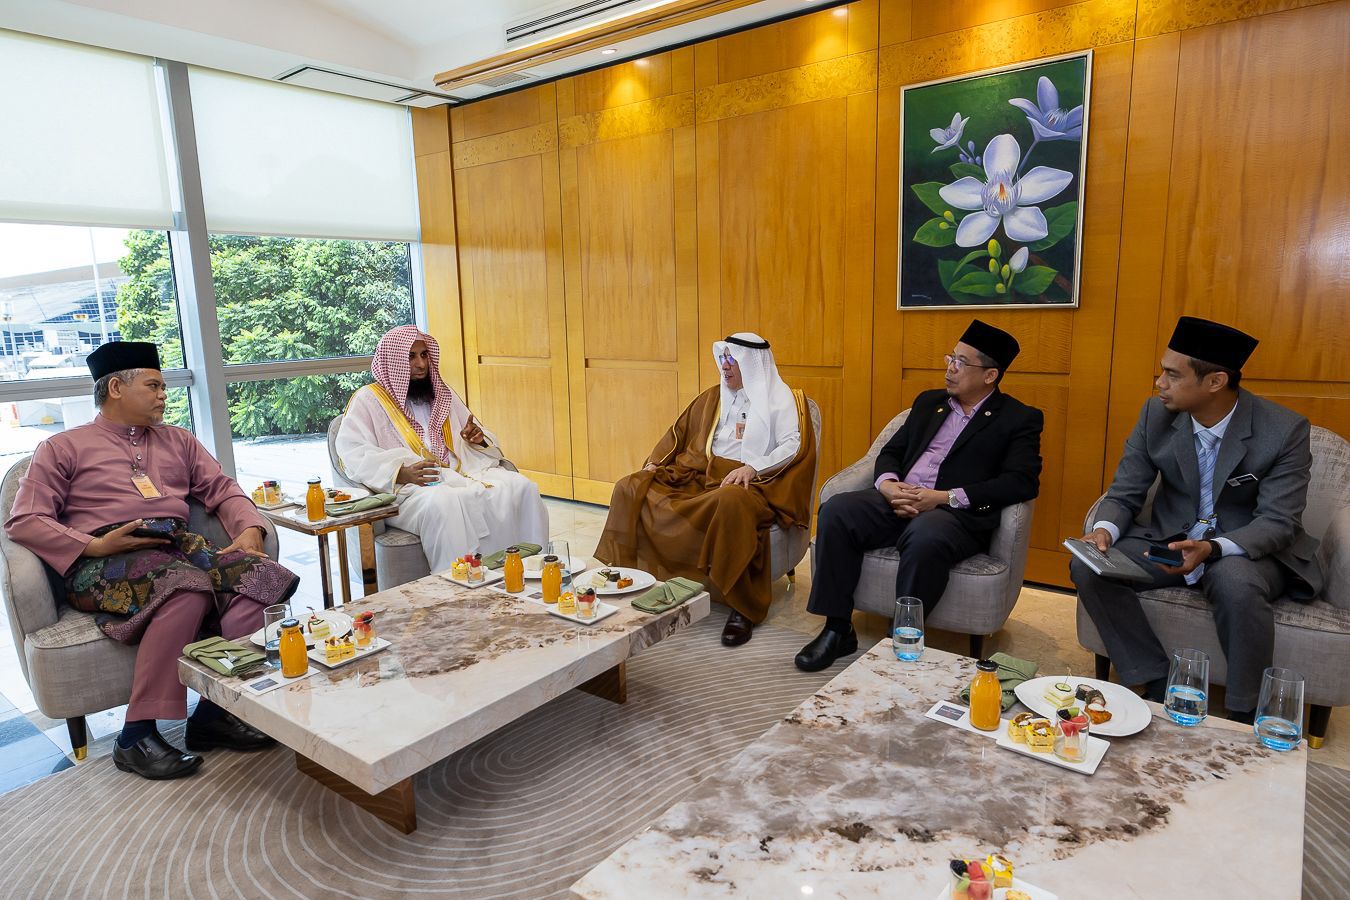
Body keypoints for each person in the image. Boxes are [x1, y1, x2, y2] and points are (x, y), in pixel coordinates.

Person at [5, 341, 297, 779]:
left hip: (177, 547)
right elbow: (25, 520)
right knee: (186, 588)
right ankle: (135, 735)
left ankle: (217, 711)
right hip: (101, 559)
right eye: (154, 386)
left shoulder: (179, 440)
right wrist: (93, 546)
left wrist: (250, 529)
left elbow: (222, 488)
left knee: (264, 579)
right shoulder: (62, 447)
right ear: (116, 388)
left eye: (163, 387)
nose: (163, 395)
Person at [1072, 316, 1321, 722]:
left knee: (1235, 582)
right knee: (1090, 565)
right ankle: (1154, 680)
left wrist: (1212, 548)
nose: (1159, 383)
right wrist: (1103, 531)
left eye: (1172, 375)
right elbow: (1125, 490)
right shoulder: (1155, 415)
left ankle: (1245, 712)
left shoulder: (1283, 430)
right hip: (1171, 542)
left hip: (1244, 549)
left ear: (1215, 382)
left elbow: (1279, 520)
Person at [796, 320, 1043, 672]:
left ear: (990, 375)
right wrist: (887, 485)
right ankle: (837, 629)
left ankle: (900, 642)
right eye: (950, 358)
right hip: (898, 499)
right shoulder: (929, 403)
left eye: (961, 362)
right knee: (837, 510)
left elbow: (1021, 482)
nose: (950, 368)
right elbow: (891, 452)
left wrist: (942, 497)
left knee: (926, 535)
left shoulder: (1018, 419)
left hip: (952, 515)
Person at [595, 333, 816, 646]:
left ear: (752, 364)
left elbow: (793, 446)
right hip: (699, 473)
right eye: (722, 359)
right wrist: (655, 463)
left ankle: (742, 606)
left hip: (753, 484)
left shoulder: (782, 400)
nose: (724, 366)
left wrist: (753, 468)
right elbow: (679, 432)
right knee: (630, 487)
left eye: (732, 360)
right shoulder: (714, 396)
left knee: (731, 502)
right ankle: (634, 579)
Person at [335, 325, 548, 571]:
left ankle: (530, 571)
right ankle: (456, 583)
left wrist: (477, 439)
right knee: (443, 502)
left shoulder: (441, 394)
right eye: (411, 357)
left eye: (424, 355)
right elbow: (352, 451)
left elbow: (475, 433)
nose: (421, 364)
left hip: (462, 472)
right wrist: (400, 472)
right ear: (393, 361)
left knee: (522, 487)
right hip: (409, 490)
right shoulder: (368, 400)